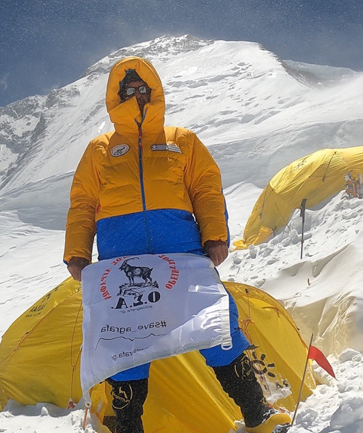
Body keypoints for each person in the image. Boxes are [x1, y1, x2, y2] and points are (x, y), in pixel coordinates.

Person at [64, 56, 291, 433]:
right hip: (122, 262)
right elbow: (83, 204)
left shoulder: (181, 140)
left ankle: (257, 414)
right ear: (114, 97)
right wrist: (77, 252)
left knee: (218, 327)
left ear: (154, 92)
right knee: (127, 344)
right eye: (127, 90)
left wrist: (215, 235)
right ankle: (128, 426)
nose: (135, 95)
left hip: (183, 255)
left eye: (141, 89)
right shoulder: (99, 150)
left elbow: (205, 188)